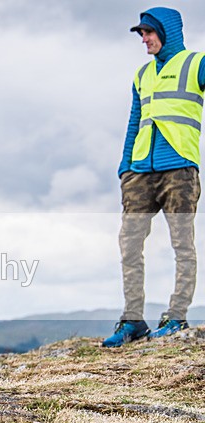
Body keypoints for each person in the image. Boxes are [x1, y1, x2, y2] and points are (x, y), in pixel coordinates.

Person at [103, 7, 205, 348]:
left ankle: (176, 317)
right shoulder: (141, 75)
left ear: (167, 32)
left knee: (182, 244)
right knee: (129, 244)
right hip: (139, 172)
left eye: (148, 32)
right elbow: (135, 121)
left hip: (179, 168)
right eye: (141, 34)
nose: (143, 39)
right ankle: (133, 321)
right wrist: (125, 167)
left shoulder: (196, 63)